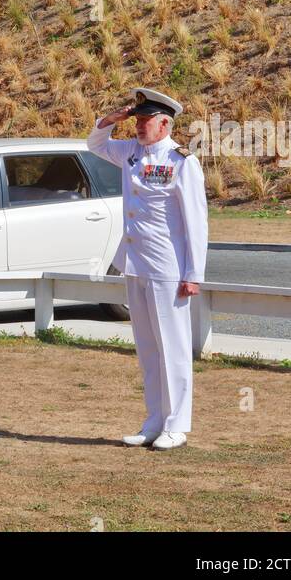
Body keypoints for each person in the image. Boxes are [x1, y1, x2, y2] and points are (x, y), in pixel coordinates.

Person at [87, 87, 208, 451]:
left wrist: (193, 274)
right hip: (136, 265)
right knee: (148, 349)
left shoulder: (182, 161)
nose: (138, 126)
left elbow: (196, 222)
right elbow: (95, 144)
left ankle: (177, 424)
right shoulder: (131, 153)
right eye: (137, 120)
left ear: (165, 123)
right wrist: (110, 120)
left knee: (173, 347)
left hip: (168, 267)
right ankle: (154, 419)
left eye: (145, 121)